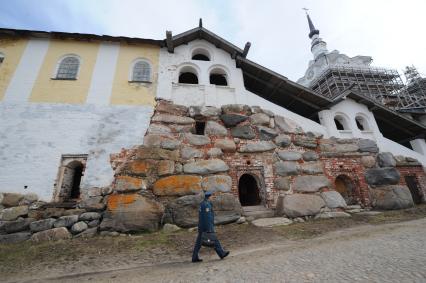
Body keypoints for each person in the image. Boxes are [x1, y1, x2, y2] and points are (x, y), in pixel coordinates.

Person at [192, 191, 230, 262]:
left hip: (202, 226)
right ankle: (221, 253)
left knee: (199, 242)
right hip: (206, 226)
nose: (213, 197)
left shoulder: (202, 203)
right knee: (214, 239)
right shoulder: (207, 205)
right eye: (212, 196)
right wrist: (209, 227)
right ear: (209, 197)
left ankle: (194, 257)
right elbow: (207, 217)